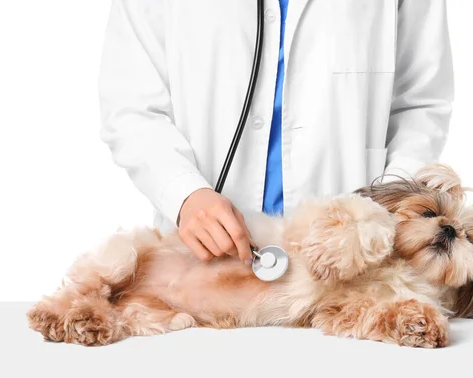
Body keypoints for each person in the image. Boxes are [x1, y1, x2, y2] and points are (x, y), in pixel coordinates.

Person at [98, 0, 454, 265]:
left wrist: (386, 209)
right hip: (202, 262)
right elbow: (131, 105)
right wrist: (184, 194)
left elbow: (421, 102)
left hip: (352, 261)